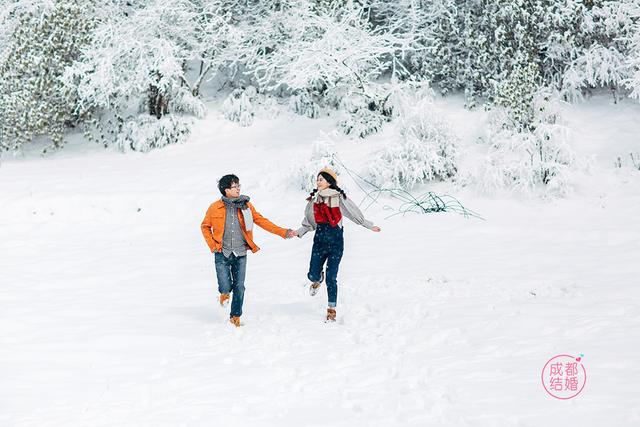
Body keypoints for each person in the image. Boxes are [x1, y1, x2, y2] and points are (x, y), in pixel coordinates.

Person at [201, 174, 296, 327]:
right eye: (235, 186)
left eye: (239, 185)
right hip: (221, 252)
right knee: (225, 285)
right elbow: (205, 226)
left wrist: (283, 232)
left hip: (240, 253)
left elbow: (261, 221)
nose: (239, 188)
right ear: (226, 190)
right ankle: (224, 294)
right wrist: (213, 245)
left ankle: (235, 316)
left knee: (240, 286)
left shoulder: (246, 206)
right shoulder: (214, 207)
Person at [296, 167, 381, 322]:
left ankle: (331, 310)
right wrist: (299, 231)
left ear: (329, 181)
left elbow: (353, 212)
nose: (318, 181)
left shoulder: (338, 197)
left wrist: (368, 225)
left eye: (321, 179)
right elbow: (309, 221)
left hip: (336, 241)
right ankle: (317, 279)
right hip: (320, 241)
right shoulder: (314, 199)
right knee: (312, 274)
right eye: (317, 179)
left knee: (331, 277)